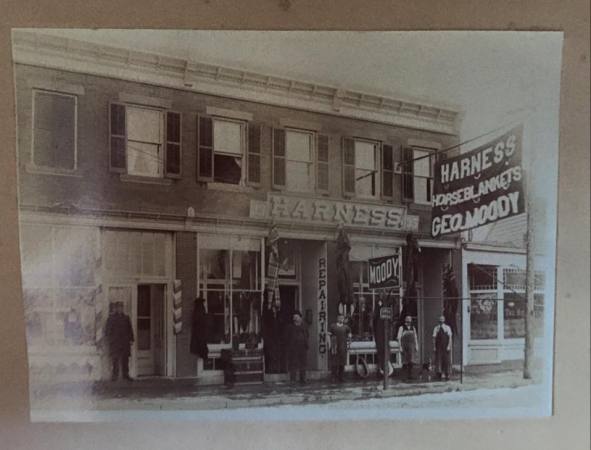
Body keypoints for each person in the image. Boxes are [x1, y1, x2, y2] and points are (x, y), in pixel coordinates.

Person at [105, 301, 134, 381]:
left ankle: (126, 374)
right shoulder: (111, 318)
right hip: (115, 342)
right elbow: (107, 330)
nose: (120, 309)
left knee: (125, 359)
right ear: (115, 308)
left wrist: (131, 339)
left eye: (121, 307)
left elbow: (130, 329)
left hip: (125, 342)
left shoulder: (126, 318)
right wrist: (110, 339)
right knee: (115, 359)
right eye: (118, 307)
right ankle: (115, 375)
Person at [285, 311, 309, 385]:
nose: (295, 318)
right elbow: (287, 337)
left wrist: (305, 343)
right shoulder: (290, 327)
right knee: (293, 364)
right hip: (293, 348)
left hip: (303, 347)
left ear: (300, 318)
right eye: (294, 317)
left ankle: (303, 379)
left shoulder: (304, 326)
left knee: (303, 364)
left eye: (296, 317)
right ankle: (293, 380)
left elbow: (307, 335)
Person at [328, 314, 351, 382]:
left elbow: (349, 335)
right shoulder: (333, 326)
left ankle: (341, 377)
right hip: (334, 345)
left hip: (343, 345)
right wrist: (329, 344)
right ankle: (333, 377)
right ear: (337, 318)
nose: (341, 319)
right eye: (340, 318)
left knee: (342, 362)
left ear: (343, 319)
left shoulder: (346, 327)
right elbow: (328, 335)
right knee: (334, 362)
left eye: (342, 318)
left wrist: (349, 342)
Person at [397, 315, 418, 381]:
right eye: (407, 319)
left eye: (410, 319)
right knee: (405, 362)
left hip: (411, 346)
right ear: (405, 320)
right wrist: (400, 347)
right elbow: (399, 338)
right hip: (404, 346)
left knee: (411, 361)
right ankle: (404, 377)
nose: (409, 321)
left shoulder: (413, 328)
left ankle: (410, 375)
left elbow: (415, 338)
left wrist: (416, 346)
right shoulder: (402, 328)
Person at [190, 297, 211, 364]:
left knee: (201, 345)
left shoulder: (196, 311)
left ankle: (204, 357)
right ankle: (205, 358)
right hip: (201, 332)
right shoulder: (200, 310)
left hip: (199, 332)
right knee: (202, 345)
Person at [432, 315, 453, 381]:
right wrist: (434, 347)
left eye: (442, 319)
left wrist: (449, 346)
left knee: (446, 360)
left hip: (445, 346)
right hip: (438, 346)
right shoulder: (436, 328)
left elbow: (450, 338)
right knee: (438, 360)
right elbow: (434, 338)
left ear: (444, 320)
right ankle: (439, 373)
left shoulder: (447, 328)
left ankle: (447, 374)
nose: (441, 321)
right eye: (440, 320)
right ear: (439, 321)